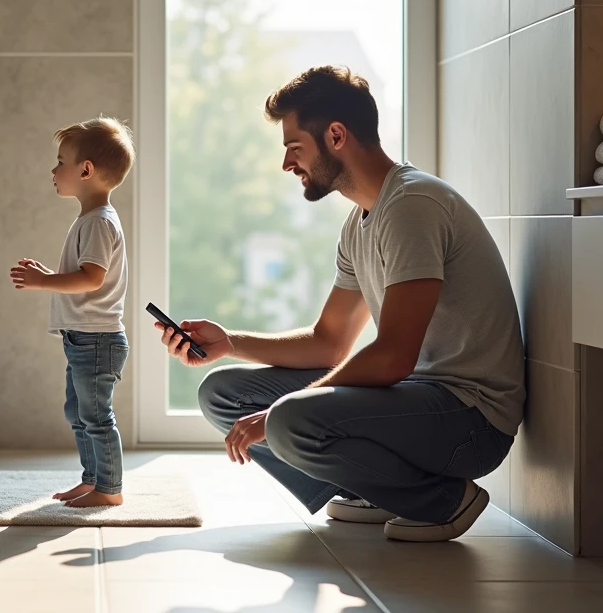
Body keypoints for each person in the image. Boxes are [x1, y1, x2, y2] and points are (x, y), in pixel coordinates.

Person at [156, 65, 525, 542]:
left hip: (470, 421)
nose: (287, 164)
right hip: (419, 401)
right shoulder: (360, 223)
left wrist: (286, 411)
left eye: (294, 148)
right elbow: (329, 342)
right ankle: (376, 490)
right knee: (223, 393)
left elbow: (394, 355)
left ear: (335, 135)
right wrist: (231, 342)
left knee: (287, 417)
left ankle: (443, 501)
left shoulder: (413, 206)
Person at [11, 117, 136, 508]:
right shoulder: (91, 220)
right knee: (78, 412)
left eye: (60, 161)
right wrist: (51, 276)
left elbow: (91, 279)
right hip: (83, 337)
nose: (54, 169)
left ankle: (109, 489)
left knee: (96, 416)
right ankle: (93, 479)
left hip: (96, 339)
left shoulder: (98, 222)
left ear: (86, 170)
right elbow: (83, 276)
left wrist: (43, 283)